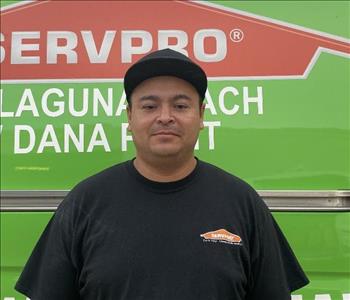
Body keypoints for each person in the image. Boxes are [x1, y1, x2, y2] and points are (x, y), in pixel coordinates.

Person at [15, 48, 309, 300]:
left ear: (201, 116)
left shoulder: (243, 203)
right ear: (130, 117)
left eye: (180, 105)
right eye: (150, 106)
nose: (165, 116)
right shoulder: (84, 204)